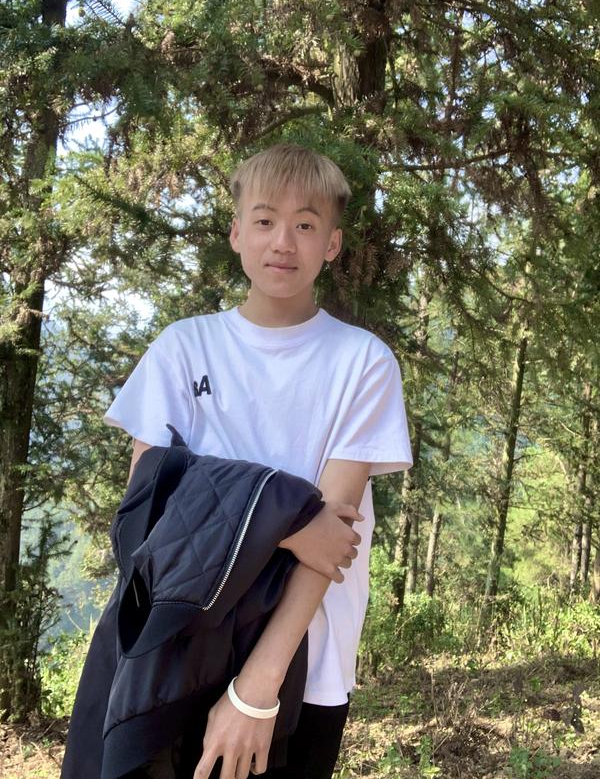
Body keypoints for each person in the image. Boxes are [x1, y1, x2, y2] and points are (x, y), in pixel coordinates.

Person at [103, 143, 412, 779]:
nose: (283, 242)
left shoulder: (362, 362)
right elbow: (146, 507)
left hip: (306, 658)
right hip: (176, 644)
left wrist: (255, 691)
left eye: (306, 225)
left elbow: (334, 544)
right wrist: (290, 522)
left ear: (332, 243)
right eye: (265, 220)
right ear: (236, 233)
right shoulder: (183, 349)